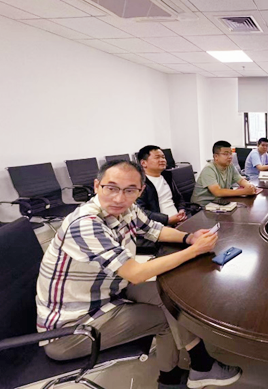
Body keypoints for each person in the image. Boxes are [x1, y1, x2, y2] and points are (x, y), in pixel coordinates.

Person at [36, 160, 242, 389]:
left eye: (129, 190)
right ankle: (178, 376)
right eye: (111, 188)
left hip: (109, 293)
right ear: (96, 186)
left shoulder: (127, 209)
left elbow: (154, 230)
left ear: (140, 191)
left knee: (171, 298)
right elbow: (135, 274)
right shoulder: (85, 224)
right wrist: (194, 251)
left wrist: (189, 238)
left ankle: (194, 367)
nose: (119, 198)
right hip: (71, 330)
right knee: (168, 316)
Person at [192, 140, 257, 206]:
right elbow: (217, 192)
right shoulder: (209, 169)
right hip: (202, 206)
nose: (230, 156)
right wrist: (244, 192)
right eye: (226, 154)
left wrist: (249, 186)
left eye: (230, 153)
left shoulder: (230, 166)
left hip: (219, 202)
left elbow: (240, 180)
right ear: (216, 157)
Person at [136, 145, 187, 226]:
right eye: (157, 157)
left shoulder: (167, 176)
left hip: (179, 220)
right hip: (160, 225)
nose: (162, 160)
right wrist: (167, 220)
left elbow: (179, 198)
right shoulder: (140, 183)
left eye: (163, 157)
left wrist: (181, 210)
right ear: (143, 163)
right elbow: (141, 211)